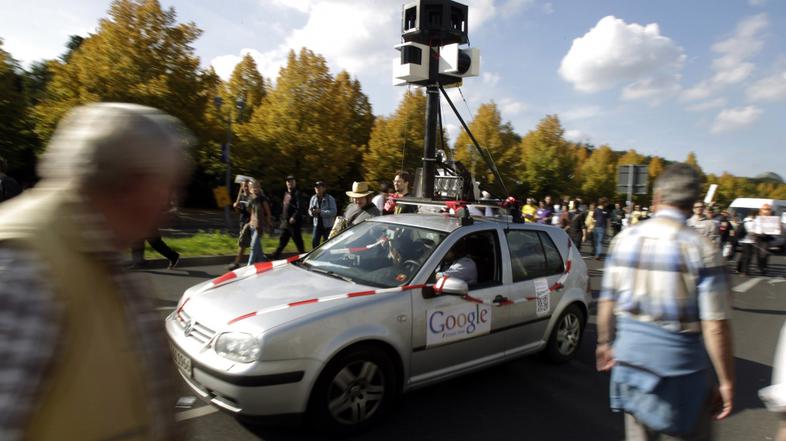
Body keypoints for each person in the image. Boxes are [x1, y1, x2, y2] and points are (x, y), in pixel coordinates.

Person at [0, 103, 191, 440]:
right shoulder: (23, 269)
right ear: (134, 183)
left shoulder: (101, 251)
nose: (170, 204)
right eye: (168, 187)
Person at [596, 163, 734, 440]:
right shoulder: (702, 249)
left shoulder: (625, 239)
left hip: (630, 363)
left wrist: (604, 342)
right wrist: (726, 380)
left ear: (657, 198)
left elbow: (607, 300)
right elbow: (715, 326)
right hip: (679, 374)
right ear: (693, 202)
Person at [272, 175, 305, 259]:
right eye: (288, 181)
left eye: (291, 181)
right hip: (286, 222)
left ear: (295, 183)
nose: (289, 183)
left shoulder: (297, 193)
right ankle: (275, 257)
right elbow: (284, 206)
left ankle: (304, 257)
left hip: (294, 223)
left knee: (298, 242)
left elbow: (300, 207)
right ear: (286, 183)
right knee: (282, 241)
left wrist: (294, 217)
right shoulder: (286, 193)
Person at [246, 180, 272, 265]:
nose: (255, 189)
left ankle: (248, 266)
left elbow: (268, 212)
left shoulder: (262, 198)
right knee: (258, 248)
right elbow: (251, 212)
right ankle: (262, 263)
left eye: (257, 187)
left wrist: (268, 224)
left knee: (253, 246)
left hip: (260, 225)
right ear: (250, 189)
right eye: (253, 187)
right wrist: (251, 222)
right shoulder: (250, 198)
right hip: (252, 225)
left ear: (260, 188)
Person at [309, 180, 337, 249]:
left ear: (324, 188)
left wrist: (320, 212)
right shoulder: (313, 198)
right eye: (316, 187)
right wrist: (312, 212)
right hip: (317, 225)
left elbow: (334, 212)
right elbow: (309, 210)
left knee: (327, 245)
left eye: (319, 187)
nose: (317, 189)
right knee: (314, 243)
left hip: (327, 226)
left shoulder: (330, 199)